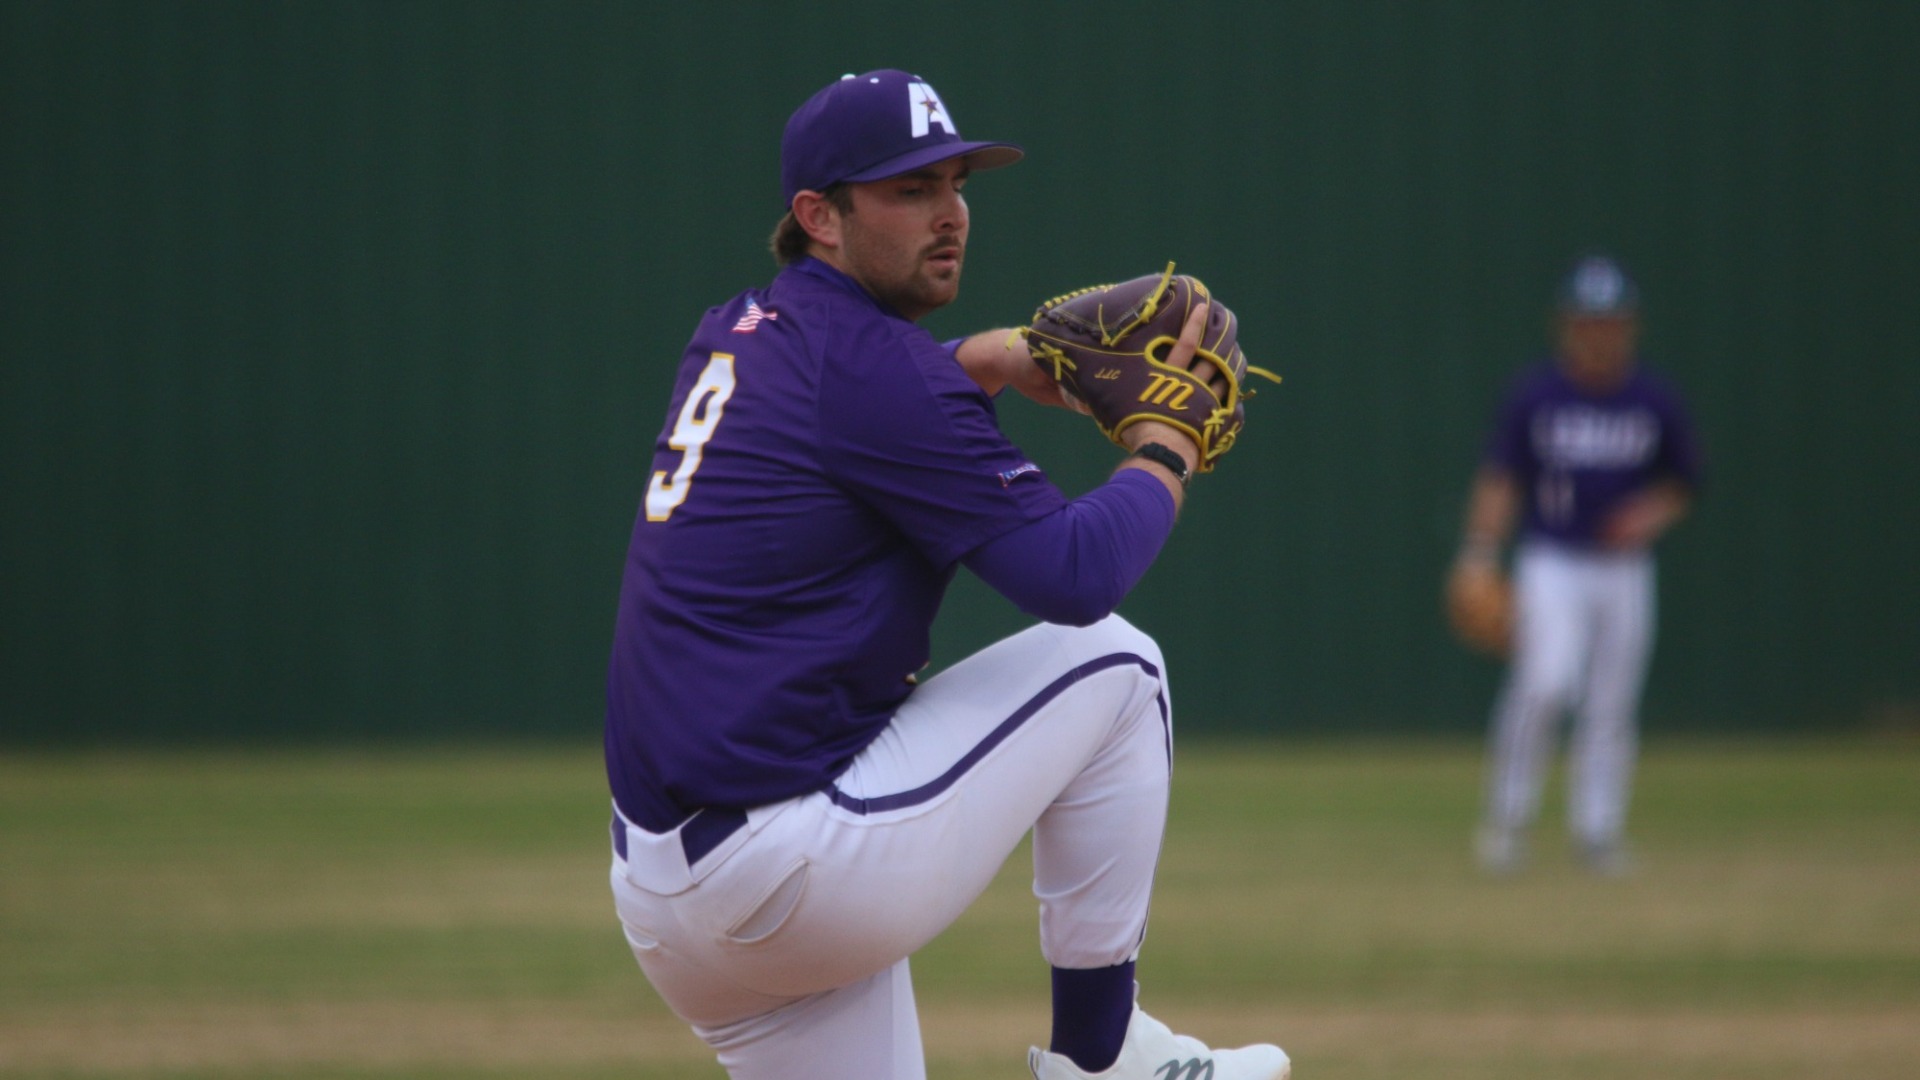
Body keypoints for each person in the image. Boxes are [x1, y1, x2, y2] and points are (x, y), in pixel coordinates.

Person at [602, 69, 1290, 1080]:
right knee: (1118, 667)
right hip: (789, 871)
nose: (951, 214)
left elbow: (851, 411)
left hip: (668, 902)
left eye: (957, 184)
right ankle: (1105, 1055)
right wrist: (1166, 449)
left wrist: (991, 357)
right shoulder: (883, 371)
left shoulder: (736, 330)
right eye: (910, 190)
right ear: (819, 216)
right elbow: (1075, 577)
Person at [1452, 253, 1704, 876]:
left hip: (1625, 569)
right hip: (1553, 561)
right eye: (1587, 321)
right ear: (1565, 326)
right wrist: (1479, 555)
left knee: (1612, 701)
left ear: (1629, 327)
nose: (1598, 333)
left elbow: (1683, 480)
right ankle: (1508, 821)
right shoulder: (1537, 395)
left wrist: (1649, 514)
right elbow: (1501, 478)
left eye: (1610, 321)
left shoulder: (1652, 398)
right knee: (1545, 683)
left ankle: (1598, 832)